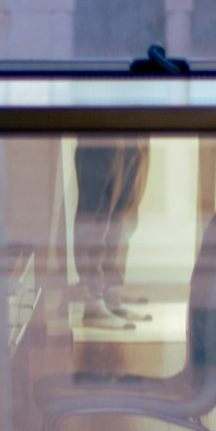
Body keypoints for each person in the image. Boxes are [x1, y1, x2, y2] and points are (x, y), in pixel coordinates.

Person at [73, 138, 151, 329]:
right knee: (97, 202)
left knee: (126, 205)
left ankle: (112, 295)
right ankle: (93, 302)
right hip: (102, 116)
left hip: (137, 114)